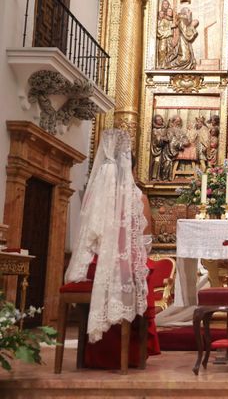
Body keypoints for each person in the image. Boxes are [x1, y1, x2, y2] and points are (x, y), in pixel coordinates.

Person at [65, 129, 150, 346]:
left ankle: (87, 355)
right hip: (123, 269)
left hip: (90, 269)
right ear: (131, 165)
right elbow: (145, 242)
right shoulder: (139, 199)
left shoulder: (93, 196)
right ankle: (128, 352)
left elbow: (87, 236)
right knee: (138, 274)